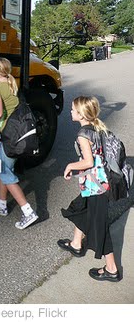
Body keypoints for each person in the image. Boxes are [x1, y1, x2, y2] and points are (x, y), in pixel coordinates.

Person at [58, 95, 120, 282]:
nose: (70, 111)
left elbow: (88, 161)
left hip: (96, 187)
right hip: (95, 183)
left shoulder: (83, 135)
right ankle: (77, 243)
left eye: (73, 110)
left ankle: (111, 269)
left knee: (100, 228)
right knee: (80, 208)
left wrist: (69, 166)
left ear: (81, 114)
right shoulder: (96, 127)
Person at [0, 57, 39, 230]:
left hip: (9, 138)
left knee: (7, 175)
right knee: (4, 170)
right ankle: (1, 205)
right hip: (17, 136)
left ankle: (28, 212)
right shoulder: (12, 85)